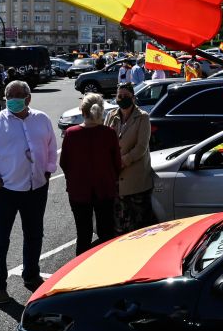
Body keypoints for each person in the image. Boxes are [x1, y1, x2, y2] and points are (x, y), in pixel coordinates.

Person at [0, 80, 57, 305]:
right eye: (8, 95)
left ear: (28, 98)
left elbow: (51, 148)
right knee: (0, 239)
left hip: (36, 187)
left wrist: (49, 170)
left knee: (34, 234)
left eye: (17, 95)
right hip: (6, 191)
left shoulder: (42, 119)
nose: (11, 99)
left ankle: (31, 275)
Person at [60, 93, 122, 255]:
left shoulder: (71, 134)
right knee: (106, 233)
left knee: (83, 234)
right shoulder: (109, 133)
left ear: (83, 112)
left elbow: (64, 163)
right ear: (101, 112)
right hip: (105, 189)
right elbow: (117, 163)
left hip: (79, 191)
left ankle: (81, 273)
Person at [105, 83, 154, 234]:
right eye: (119, 96)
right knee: (120, 227)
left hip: (136, 181)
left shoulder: (142, 117)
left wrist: (122, 161)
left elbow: (141, 147)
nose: (122, 99)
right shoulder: (111, 116)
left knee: (139, 227)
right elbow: (105, 142)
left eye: (126, 96)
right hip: (117, 181)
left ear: (133, 97)